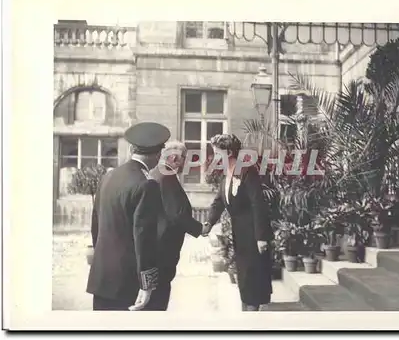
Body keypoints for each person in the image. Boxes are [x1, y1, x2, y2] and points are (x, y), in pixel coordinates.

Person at [86, 121, 170, 311]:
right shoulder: (147, 184)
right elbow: (144, 238)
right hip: (128, 283)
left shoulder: (108, 176)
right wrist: (147, 284)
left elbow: (96, 226)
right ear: (158, 156)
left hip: (102, 278)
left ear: (132, 148)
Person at [202, 134, 273, 311]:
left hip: (252, 232)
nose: (214, 157)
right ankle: (246, 314)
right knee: (243, 274)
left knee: (252, 275)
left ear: (230, 152)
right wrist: (208, 223)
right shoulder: (226, 173)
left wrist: (261, 237)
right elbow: (219, 201)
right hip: (239, 232)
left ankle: (252, 319)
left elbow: (258, 204)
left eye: (218, 152)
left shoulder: (247, 171)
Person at [147, 141, 210, 310]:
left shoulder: (155, 172)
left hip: (153, 246)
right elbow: (176, 214)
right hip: (162, 250)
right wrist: (200, 228)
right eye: (184, 159)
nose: (185, 163)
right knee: (158, 300)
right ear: (174, 158)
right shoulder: (166, 176)